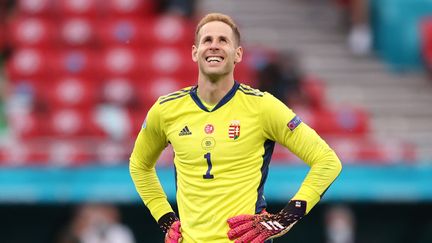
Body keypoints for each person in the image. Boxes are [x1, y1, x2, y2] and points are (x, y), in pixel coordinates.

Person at [130, 13, 342, 243]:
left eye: (223, 40)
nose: (214, 46)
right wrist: (165, 218)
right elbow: (139, 165)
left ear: (238, 53)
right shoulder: (165, 110)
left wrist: (284, 219)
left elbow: (327, 161)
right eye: (207, 40)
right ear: (194, 52)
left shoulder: (262, 106)